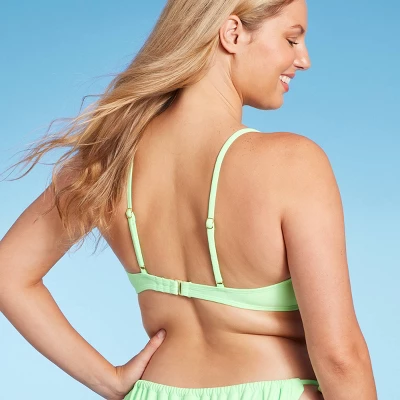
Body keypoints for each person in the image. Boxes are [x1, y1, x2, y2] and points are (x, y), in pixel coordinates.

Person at [0, 0, 377, 399]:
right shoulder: (293, 163)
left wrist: (107, 380)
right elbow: (340, 357)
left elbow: (8, 274)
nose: (304, 60)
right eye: (291, 39)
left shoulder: (108, 162)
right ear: (232, 34)